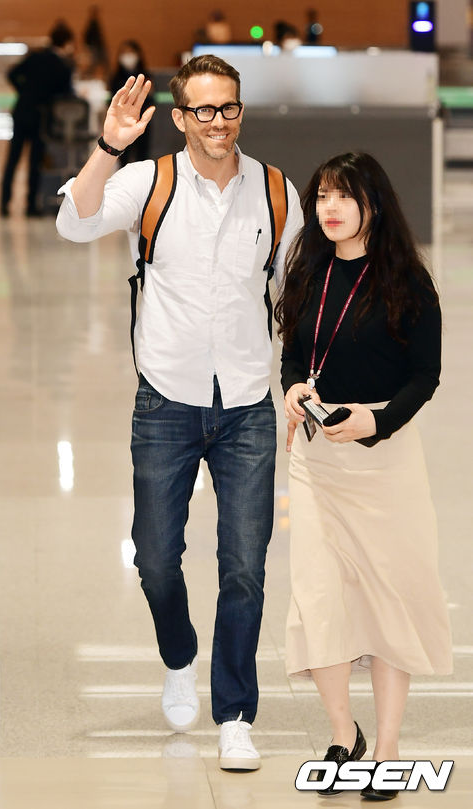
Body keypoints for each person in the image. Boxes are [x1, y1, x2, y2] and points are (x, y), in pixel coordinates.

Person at [56, 55, 303, 769]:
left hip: (247, 405)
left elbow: (296, 291)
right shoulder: (150, 181)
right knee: (158, 558)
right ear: (178, 116)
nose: (218, 122)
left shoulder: (276, 192)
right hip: (166, 398)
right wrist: (108, 147)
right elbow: (74, 223)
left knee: (246, 565)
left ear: (240, 111)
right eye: (203, 110)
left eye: (228, 108)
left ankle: (234, 712)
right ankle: (177, 651)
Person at [274, 152, 453, 801]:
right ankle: (341, 731)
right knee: (317, 594)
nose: (330, 207)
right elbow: (294, 352)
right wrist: (294, 386)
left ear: (374, 202)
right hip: (317, 456)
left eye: (344, 195)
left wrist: (376, 423)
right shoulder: (309, 272)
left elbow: (424, 377)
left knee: (387, 597)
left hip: (384, 455)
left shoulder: (407, 282)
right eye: (323, 194)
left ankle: (388, 746)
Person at [1, 21, 75, 217]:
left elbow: (12, 73)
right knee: (34, 161)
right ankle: (31, 205)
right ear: (67, 43)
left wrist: (23, 91)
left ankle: (4, 203)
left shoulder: (35, 56)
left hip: (22, 110)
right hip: (41, 117)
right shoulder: (63, 66)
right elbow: (67, 95)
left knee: (13, 159)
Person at [108, 41, 153, 164]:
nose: (127, 56)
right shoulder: (116, 77)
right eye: (124, 53)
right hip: (122, 121)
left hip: (142, 120)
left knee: (142, 153)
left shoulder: (146, 75)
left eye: (130, 52)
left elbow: (151, 98)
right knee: (123, 154)